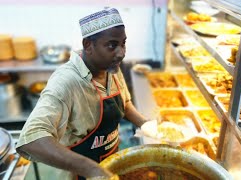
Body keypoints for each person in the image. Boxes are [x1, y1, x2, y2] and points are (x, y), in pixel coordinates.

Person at [16, 7, 148, 180]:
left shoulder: (110, 68)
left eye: (123, 43)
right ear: (88, 45)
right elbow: (31, 139)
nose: (121, 53)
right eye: (112, 45)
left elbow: (125, 104)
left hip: (111, 162)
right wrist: (93, 170)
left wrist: (149, 127)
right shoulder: (66, 82)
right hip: (79, 174)